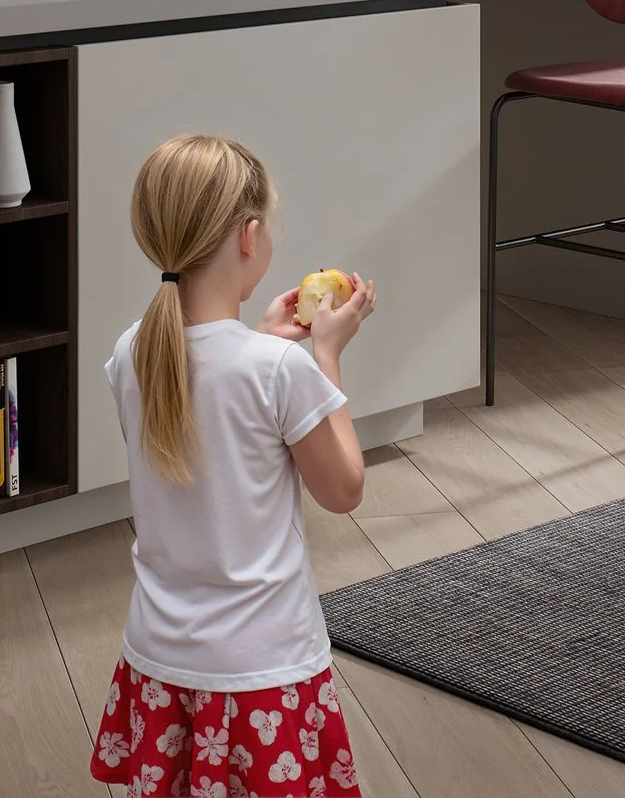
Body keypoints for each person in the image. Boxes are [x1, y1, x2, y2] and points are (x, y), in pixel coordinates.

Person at [90, 135, 377, 797]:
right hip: (261, 670)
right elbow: (344, 489)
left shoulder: (132, 349)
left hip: (159, 659)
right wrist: (324, 354)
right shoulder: (278, 370)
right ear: (250, 236)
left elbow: (208, 422)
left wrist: (270, 344)